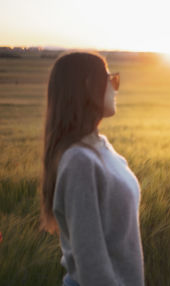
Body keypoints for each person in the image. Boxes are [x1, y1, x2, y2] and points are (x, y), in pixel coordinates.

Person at [40, 52, 145, 286]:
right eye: (110, 78)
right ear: (88, 85)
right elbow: (92, 268)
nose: (115, 86)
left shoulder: (102, 147)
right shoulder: (79, 161)